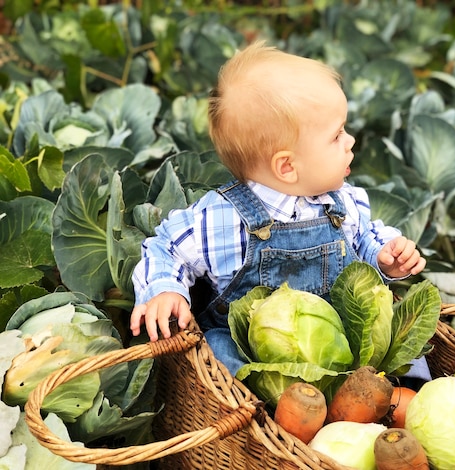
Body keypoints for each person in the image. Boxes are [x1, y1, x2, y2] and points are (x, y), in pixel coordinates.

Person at [130, 41, 429, 377]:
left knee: (403, 345)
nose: (351, 141)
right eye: (337, 135)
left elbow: (363, 243)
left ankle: (406, 394)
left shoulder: (343, 202)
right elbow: (166, 247)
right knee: (220, 355)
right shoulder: (222, 219)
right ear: (287, 167)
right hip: (252, 348)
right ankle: (254, 415)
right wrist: (164, 290)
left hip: (338, 341)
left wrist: (386, 257)